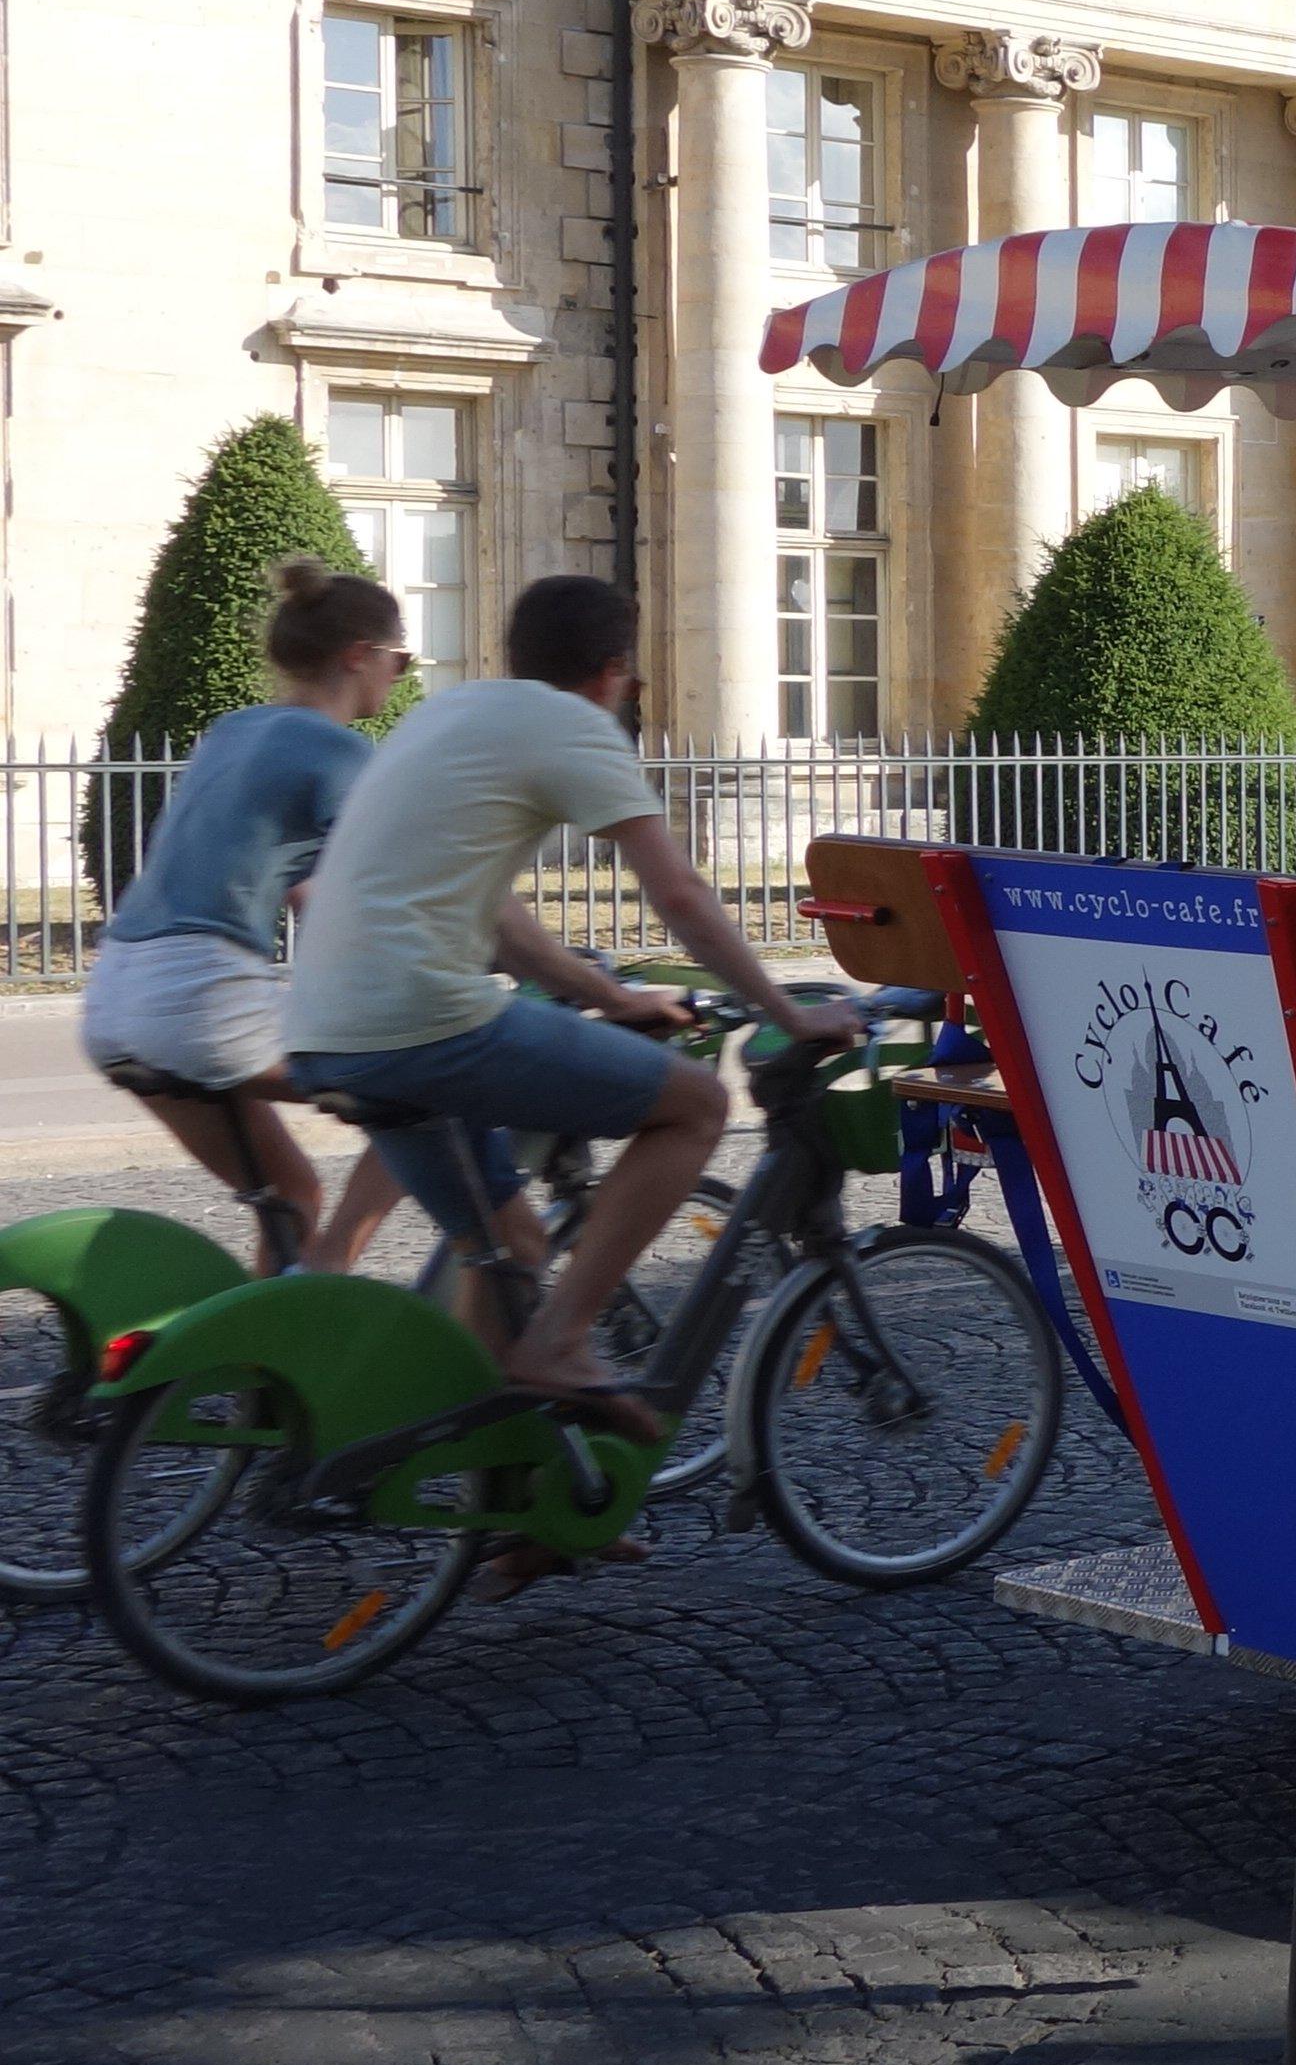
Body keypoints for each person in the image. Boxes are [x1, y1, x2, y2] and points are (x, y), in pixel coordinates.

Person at [277, 575, 848, 1422]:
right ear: (615, 670)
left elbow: (503, 928)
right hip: (424, 1022)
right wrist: (790, 1013)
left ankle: (506, 1512)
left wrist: (612, 999)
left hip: (323, 1026)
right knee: (696, 1106)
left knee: (508, 1244)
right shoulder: (574, 725)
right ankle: (562, 1339)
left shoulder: (451, 712)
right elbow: (682, 896)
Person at [76, 558, 414, 1274]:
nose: (402, 674)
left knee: (291, 1190)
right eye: (400, 658)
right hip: (199, 995)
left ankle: (271, 1362)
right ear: (360, 655)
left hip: (113, 998)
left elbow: (307, 891)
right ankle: (326, 1282)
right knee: (427, 1084)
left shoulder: (232, 731)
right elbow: (380, 892)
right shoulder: (341, 749)